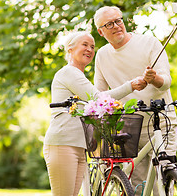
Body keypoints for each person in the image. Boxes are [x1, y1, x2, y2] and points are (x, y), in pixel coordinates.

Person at [43, 31, 147, 196]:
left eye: (92, 46)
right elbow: (98, 98)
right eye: (85, 44)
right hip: (63, 144)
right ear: (70, 49)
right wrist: (130, 86)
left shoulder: (79, 76)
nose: (90, 49)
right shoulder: (68, 73)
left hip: (78, 146)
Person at [93, 6, 177, 195]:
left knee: (164, 178)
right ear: (101, 31)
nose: (116, 26)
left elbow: (166, 83)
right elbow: (100, 95)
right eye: (109, 24)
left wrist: (153, 78)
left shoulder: (149, 43)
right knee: (139, 185)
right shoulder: (102, 55)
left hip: (161, 123)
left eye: (118, 20)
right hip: (130, 127)